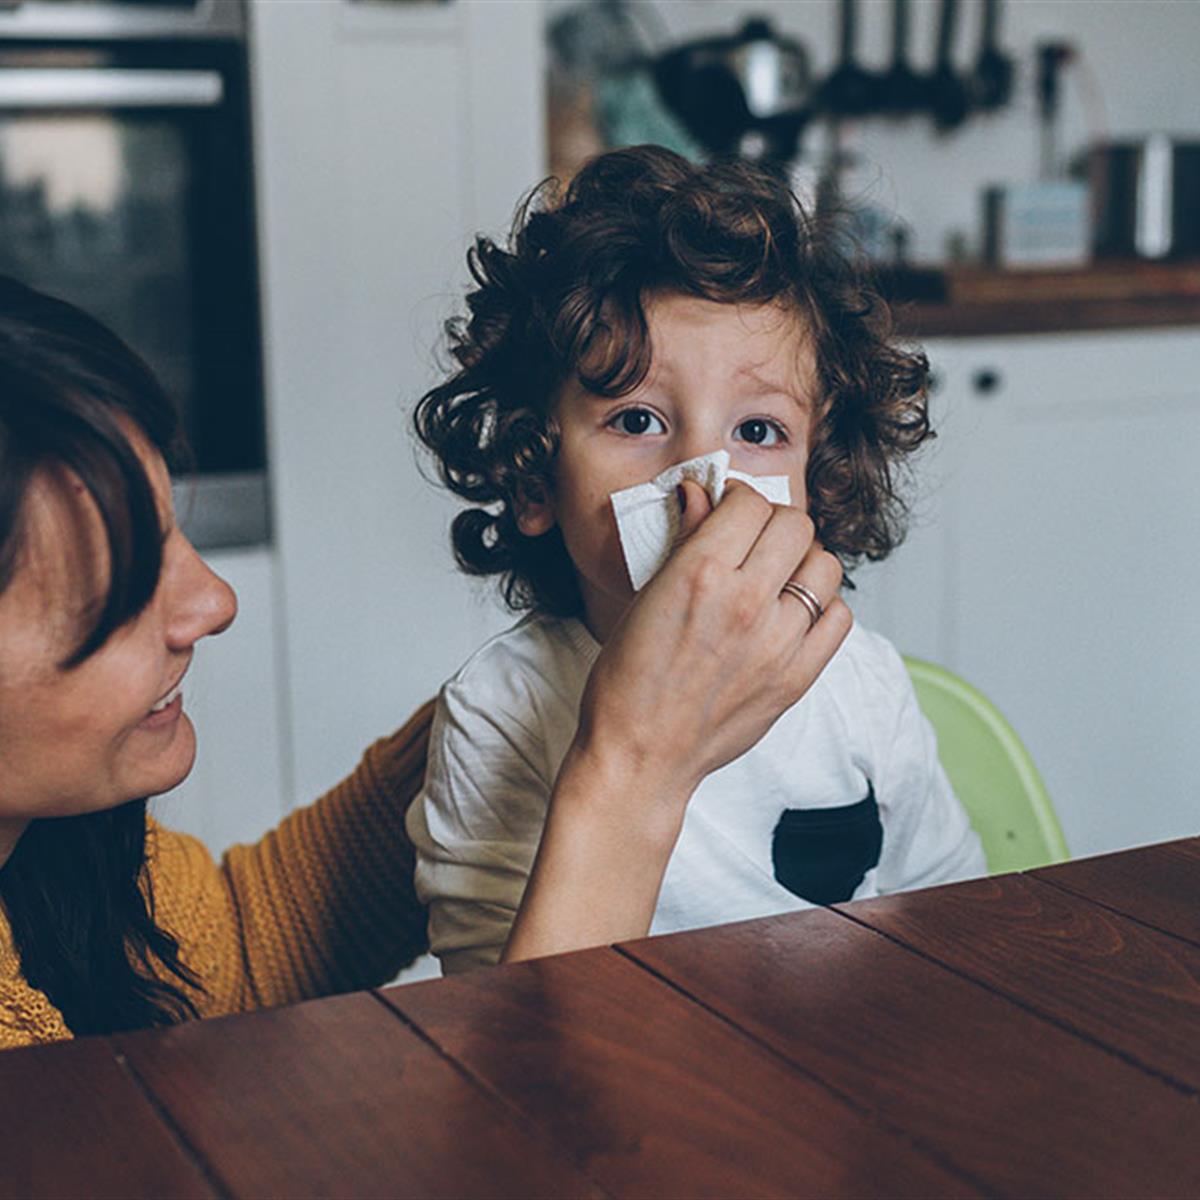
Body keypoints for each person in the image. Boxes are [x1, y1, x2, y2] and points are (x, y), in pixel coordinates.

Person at [0, 274, 846, 1049]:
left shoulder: (49, 863)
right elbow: (533, 1149)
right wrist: (633, 760)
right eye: (111, 579)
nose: (210, 602)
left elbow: (237, 947)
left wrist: (534, 713)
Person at [407, 145, 986, 974]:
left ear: (815, 488)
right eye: (637, 420)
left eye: (757, 432)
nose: (701, 478)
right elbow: (498, 1028)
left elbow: (950, 927)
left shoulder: (863, 686)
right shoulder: (498, 713)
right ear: (536, 479)